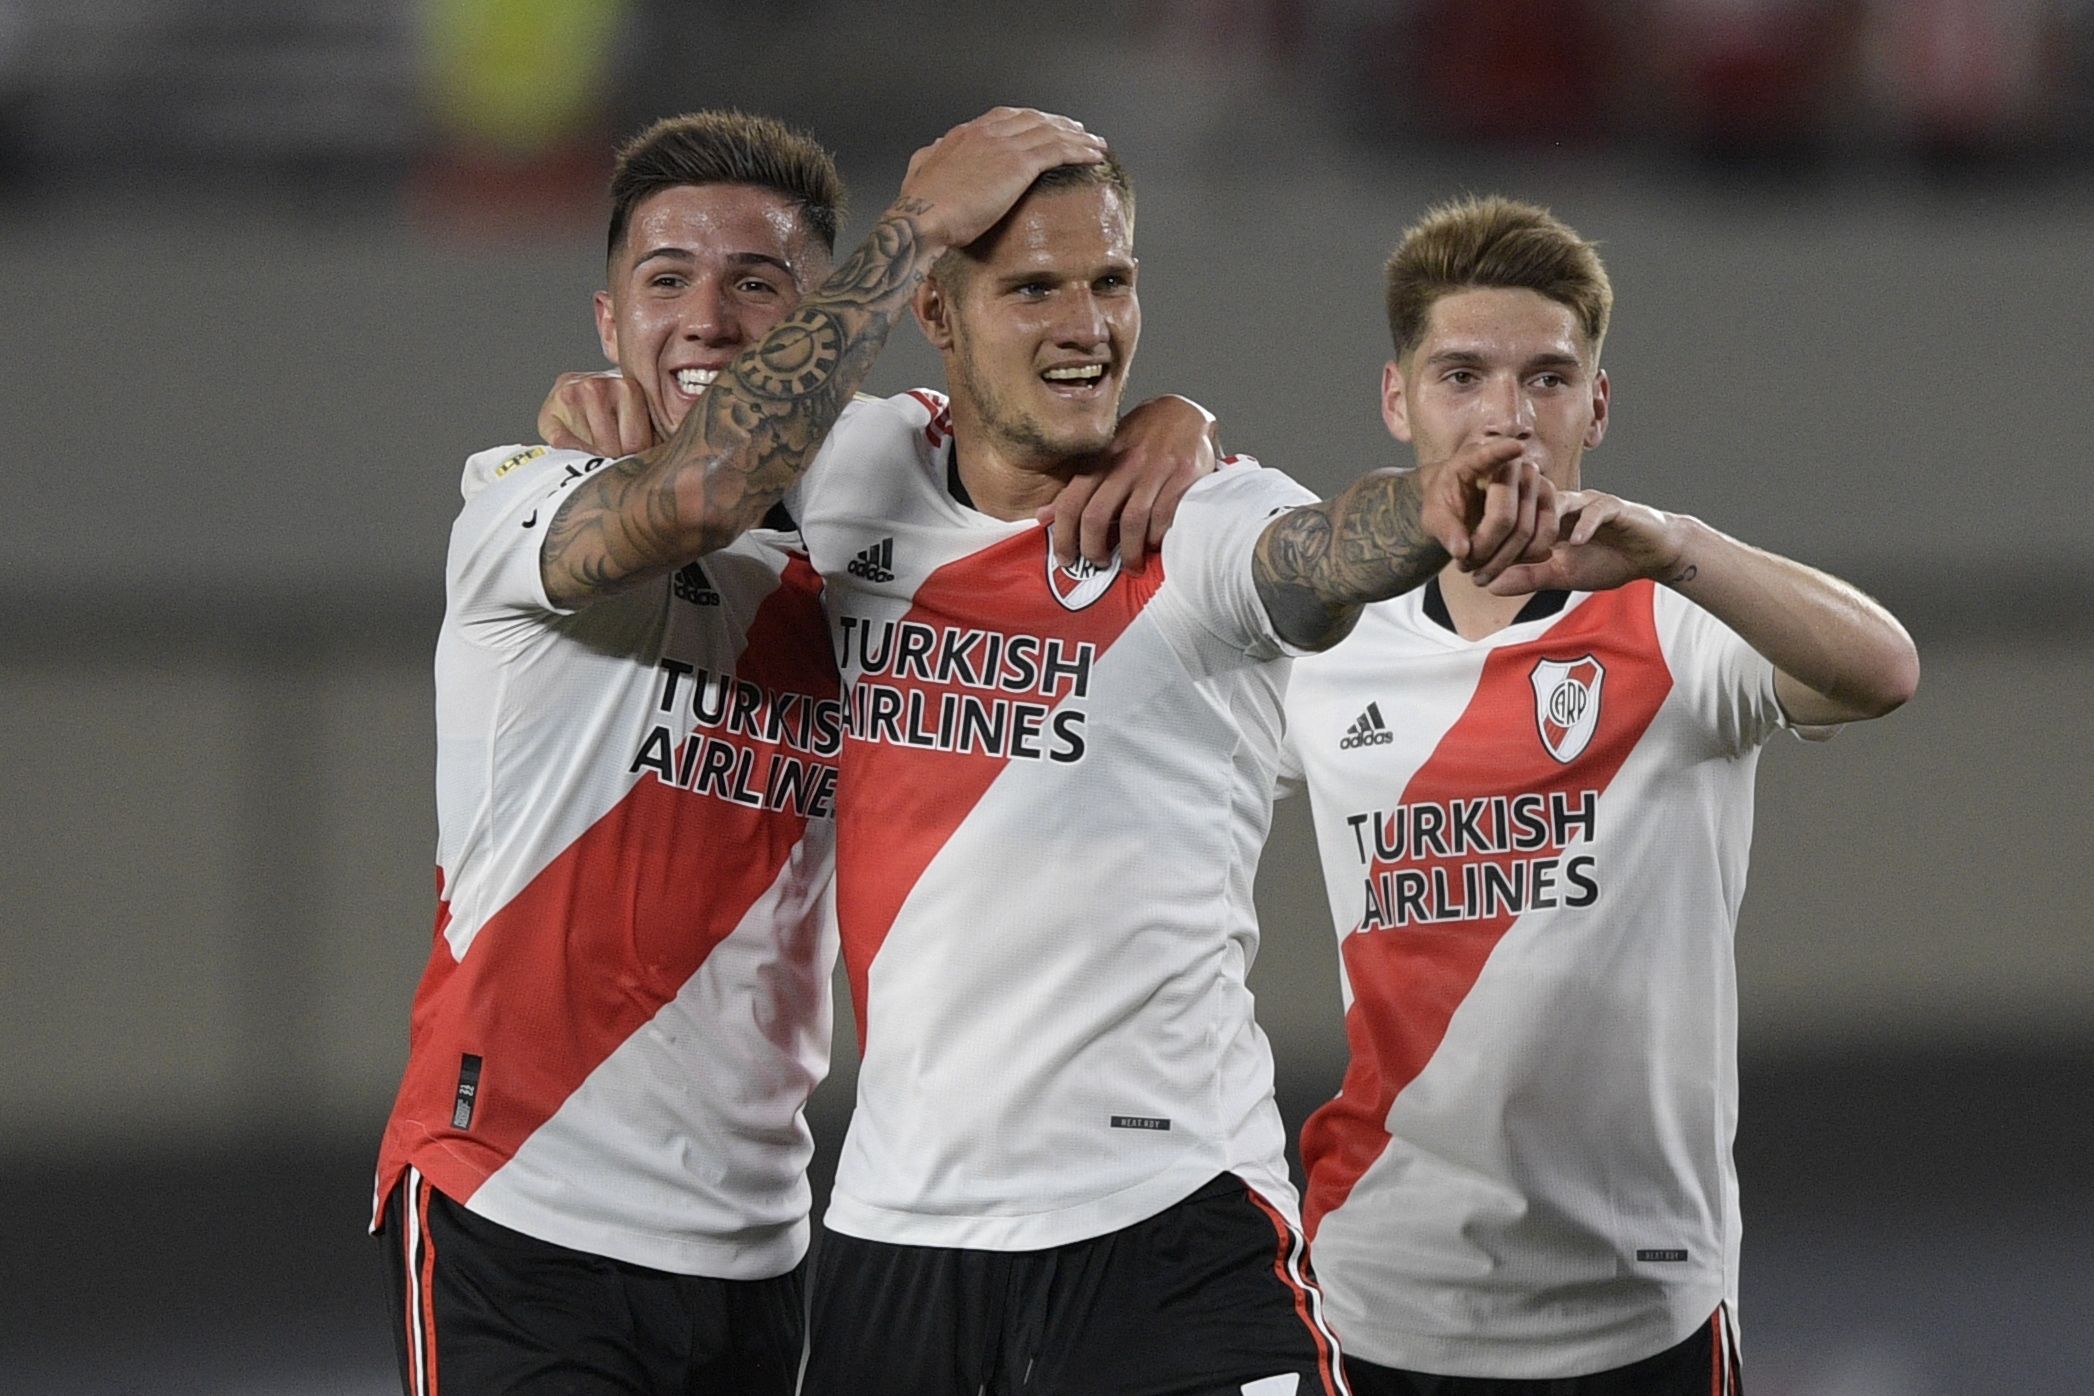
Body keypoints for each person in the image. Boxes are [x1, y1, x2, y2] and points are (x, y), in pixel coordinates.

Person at [762, 154, 1557, 1396]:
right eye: (1035, 289)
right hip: (896, 1240)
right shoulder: (857, 469)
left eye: (1112, 282)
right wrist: (597, 410)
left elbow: (1316, 553)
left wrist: (1430, 510)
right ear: (935, 314)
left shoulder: (1198, 518)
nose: (1087, 325)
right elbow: (695, 457)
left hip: (1166, 1227)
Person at [371, 105, 1128, 1395]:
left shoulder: (879, 547)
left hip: (757, 1247)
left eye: (758, 284)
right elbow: (705, 491)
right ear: (609, 322)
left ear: (820, 321)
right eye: (666, 280)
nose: (708, 320)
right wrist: (911, 230)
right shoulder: (519, 502)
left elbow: (1039, 427)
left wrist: (1170, 426)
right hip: (515, 1206)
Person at [1278, 196, 1920, 1395]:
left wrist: (1678, 545)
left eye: (1548, 377)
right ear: (1397, 400)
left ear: (1598, 406)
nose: (1507, 416)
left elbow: (1884, 670)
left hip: (1639, 1301)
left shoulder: (1675, 618)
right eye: (1462, 375)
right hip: (1380, 1289)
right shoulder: (1329, 643)